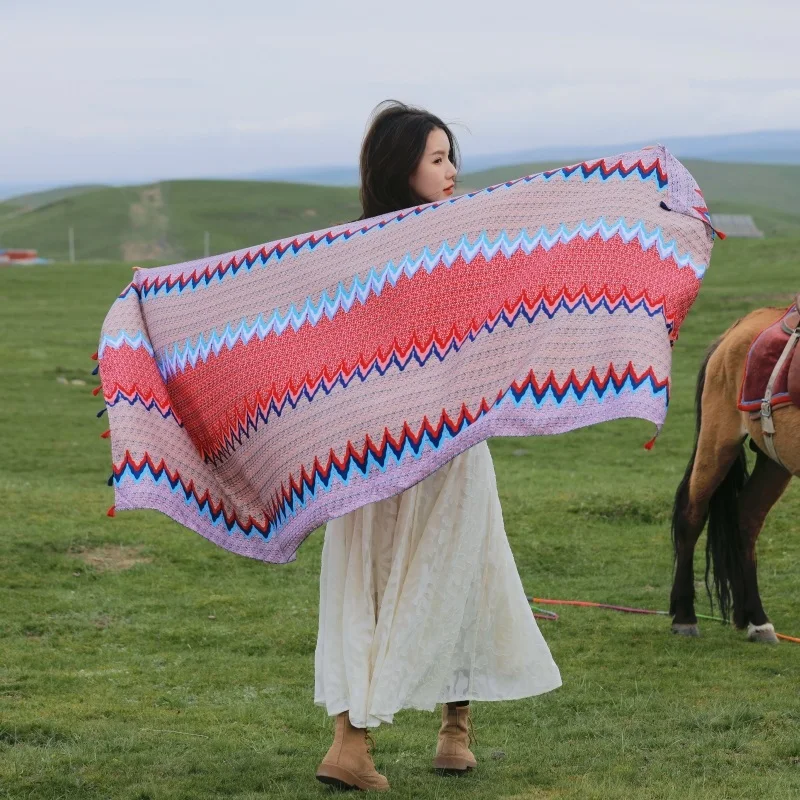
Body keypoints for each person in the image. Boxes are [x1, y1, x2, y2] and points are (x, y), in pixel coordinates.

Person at [313, 101, 562, 792]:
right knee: (453, 573)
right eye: (437, 158)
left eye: (452, 157)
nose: (452, 172)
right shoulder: (439, 250)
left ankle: (419, 734)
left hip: (372, 449)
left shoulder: (351, 250)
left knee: (385, 582)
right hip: (425, 448)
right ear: (402, 167)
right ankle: (374, 742)